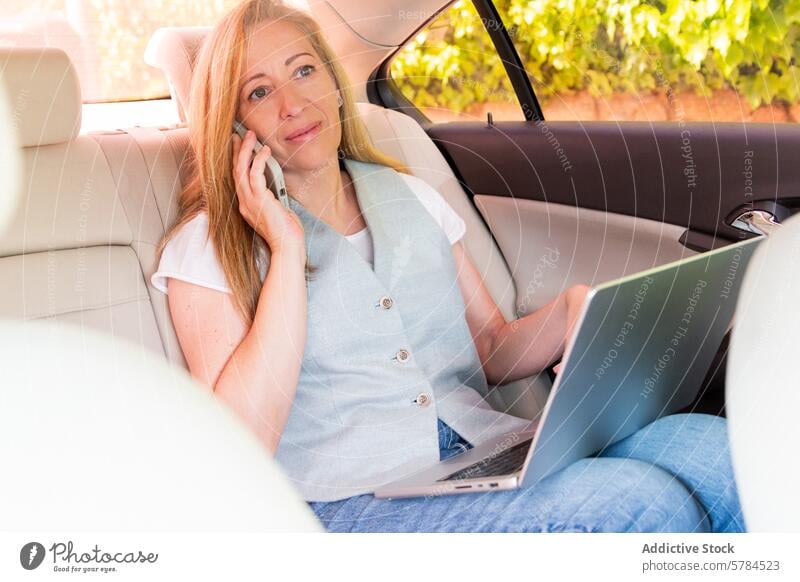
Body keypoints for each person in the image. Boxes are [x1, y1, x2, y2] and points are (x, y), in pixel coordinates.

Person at [151, 0, 744, 533]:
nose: (292, 104)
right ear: (233, 129)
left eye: (304, 71)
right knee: (639, 504)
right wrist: (284, 249)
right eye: (258, 93)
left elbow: (488, 347)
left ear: (333, 83)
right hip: (350, 501)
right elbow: (236, 445)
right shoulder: (208, 245)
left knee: (715, 452)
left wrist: (570, 314)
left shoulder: (411, 196)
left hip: (477, 453)